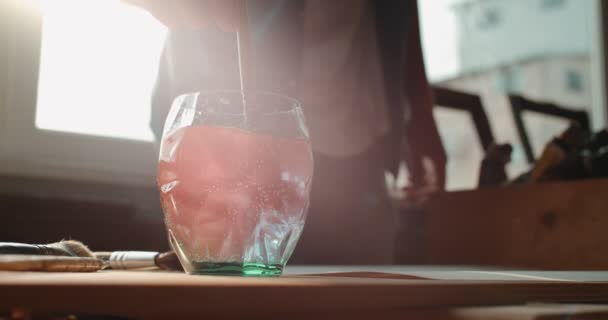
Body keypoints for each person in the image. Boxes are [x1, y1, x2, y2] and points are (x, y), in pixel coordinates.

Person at [127, 0, 446, 264]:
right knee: (234, 286)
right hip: (233, 139)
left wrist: (420, 113)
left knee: (360, 296)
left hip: (355, 146)